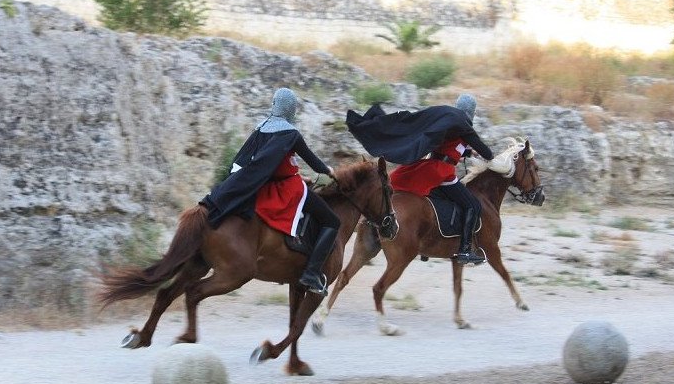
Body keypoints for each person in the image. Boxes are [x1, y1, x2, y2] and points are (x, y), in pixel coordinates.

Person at [201, 88, 339, 295]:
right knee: (332, 221)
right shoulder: (291, 134)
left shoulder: (261, 129)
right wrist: (329, 171)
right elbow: (315, 162)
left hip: (265, 187)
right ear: (291, 109)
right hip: (288, 190)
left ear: (274, 105)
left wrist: (300, 176)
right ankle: (311, 273)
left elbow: (261, 163)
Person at [346, 93, 493, 265]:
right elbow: (487, 153)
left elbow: (447, 145)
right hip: (441, 172)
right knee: (472, 205)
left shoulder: (448, 118)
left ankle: (430, 241)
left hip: (430, 165)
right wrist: (488, 155)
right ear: (472, 111)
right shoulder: (464, 126)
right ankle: (465, 251)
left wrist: (468, 152)